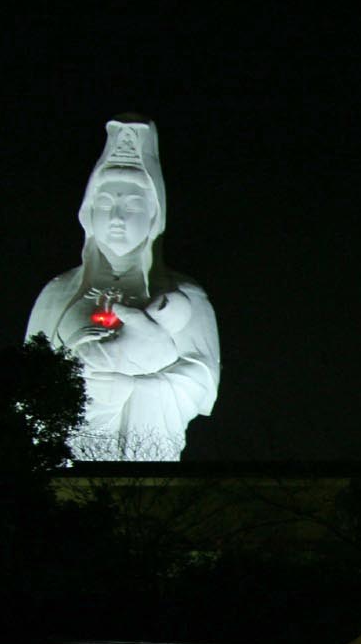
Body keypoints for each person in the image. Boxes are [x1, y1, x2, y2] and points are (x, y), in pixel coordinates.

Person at [25, 117, 222, 461]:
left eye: (131, 206)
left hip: (144, 461)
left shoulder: (184, 294)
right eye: (105, 205)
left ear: (153, 216)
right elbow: (26, 383)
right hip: (64, 457)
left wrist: (133, 388)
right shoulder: (58, 293)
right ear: (88, 213)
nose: (116, 217)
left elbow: (202, 383)